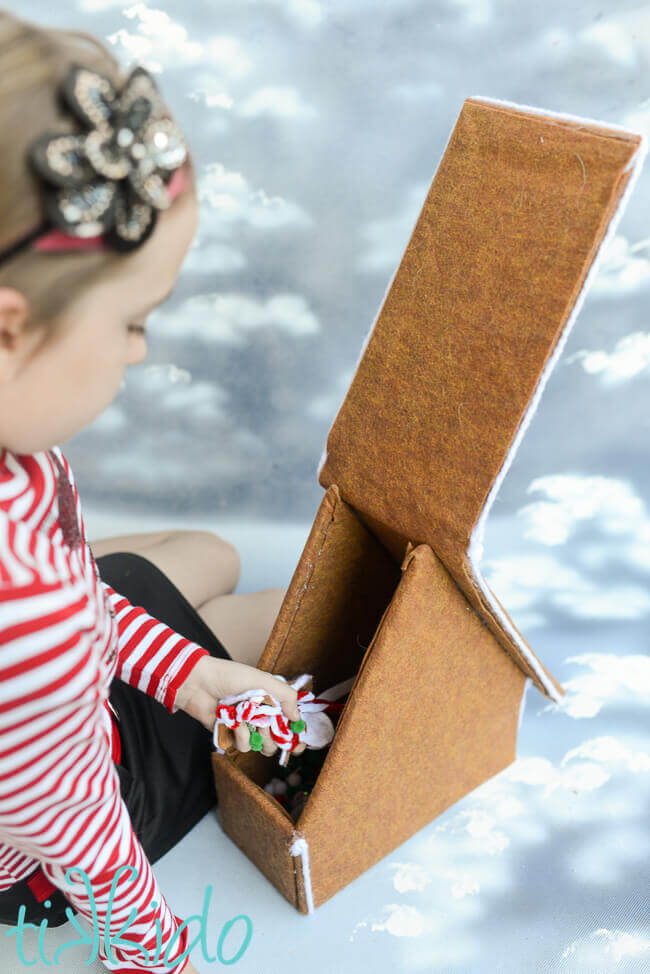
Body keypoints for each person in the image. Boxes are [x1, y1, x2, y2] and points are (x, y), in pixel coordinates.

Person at [0, 12, 305, 973]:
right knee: (279, 606)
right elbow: (82, 828)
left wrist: (186, 675)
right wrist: (153, 952)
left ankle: (195, 653)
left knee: (210, 556)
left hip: (61, 666)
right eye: (133, 320)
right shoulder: (30, 621)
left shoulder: (21, 466)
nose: (140, 351)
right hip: (65, 824)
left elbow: (69, 589)